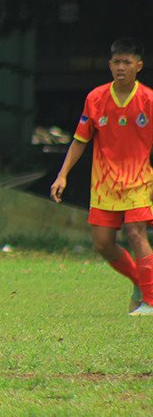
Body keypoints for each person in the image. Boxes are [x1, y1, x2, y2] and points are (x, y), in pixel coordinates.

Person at [51, 37, 153, 316]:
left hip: (138, 181)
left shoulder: (148, 100)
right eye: (116, 62)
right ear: (110, 65)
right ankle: (141, 282)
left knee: (135, 233)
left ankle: (151, 301)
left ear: (138, 66)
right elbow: (80, 140)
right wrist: (62, 175)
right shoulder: (95, 98)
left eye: (127, 62)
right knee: (103, 244)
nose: (121, 67)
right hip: (104, 184)